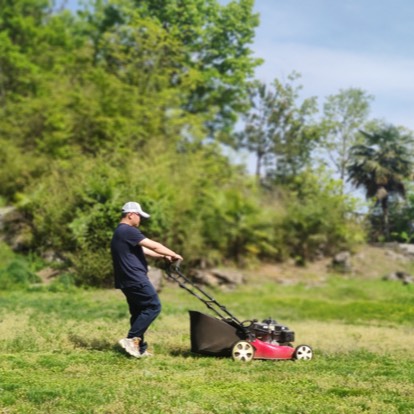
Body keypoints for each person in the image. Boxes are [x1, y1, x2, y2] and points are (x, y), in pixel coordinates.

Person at [111, 201, 183, 358]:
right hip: (134, 277)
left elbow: (147, 251)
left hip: (126, 279)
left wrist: (165, 256)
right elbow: (154, 245)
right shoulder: (127, 230)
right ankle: (131, 339)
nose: (140, 220)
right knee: (153, 306)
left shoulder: (120, 233)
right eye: (139, 216)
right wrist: (174, 253)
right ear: (131, 215)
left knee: (138, 312)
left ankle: (138, 348)